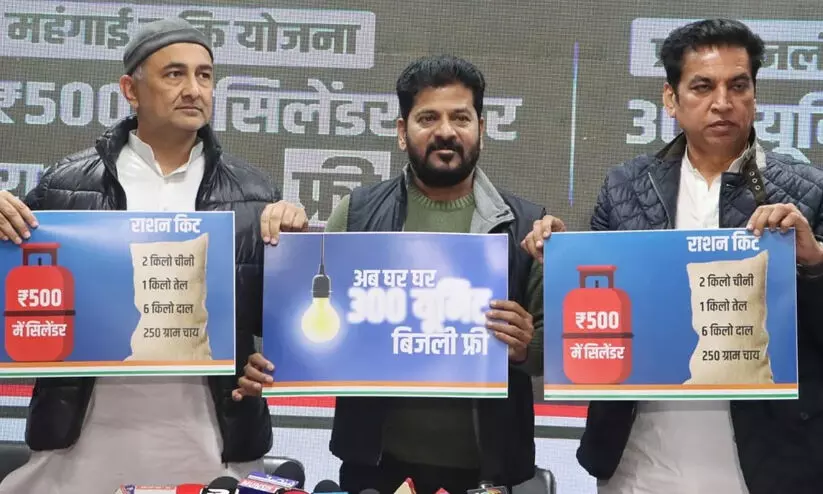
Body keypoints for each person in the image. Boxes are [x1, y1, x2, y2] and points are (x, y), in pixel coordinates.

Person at [0, 18, 307, 492]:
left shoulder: (255, 193)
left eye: (204, 75)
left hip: (212, 439)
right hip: (81, 440)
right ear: (131, 89)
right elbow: (18, 296)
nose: (194, 89)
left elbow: (285, 325)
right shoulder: (65, 185)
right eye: (174, 74)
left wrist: (270, 361)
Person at [234, 55, 564, 494]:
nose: (445, 131)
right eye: (428, 118)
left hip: (489, 474)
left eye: (460, 117)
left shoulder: (524, 225)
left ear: (481, 129)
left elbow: (551, 353)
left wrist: (522, 348)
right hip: (375, 469)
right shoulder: (357, 213)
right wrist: (278, 358)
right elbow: (317, 319)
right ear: (402, 132)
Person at [523, 18, 823, 494]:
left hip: (770, 465)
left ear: (755, 95)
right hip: (638, 464)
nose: (722, 102)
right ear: (671, 98)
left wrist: (814, 264)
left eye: (738, 86)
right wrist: (564, 261)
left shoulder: (807, 192)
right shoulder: (625, 187)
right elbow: (595, 327)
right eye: (703, 86)